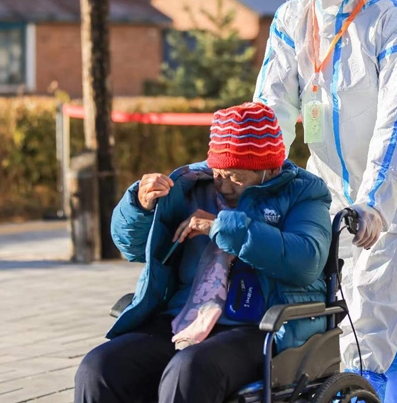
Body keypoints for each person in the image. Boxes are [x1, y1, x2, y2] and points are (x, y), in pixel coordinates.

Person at [254, 0, 397, 400]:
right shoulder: (292, 20)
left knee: (372, 311)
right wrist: (252, 176)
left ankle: (361, 393)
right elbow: (273, 106)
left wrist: (376, 201)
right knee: (346, 312)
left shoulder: (390, 21)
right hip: (332, 186)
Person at [74, 102, 332, 403]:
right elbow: (132, 248)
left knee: (189, 370)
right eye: (218, 173)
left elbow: (306, 261)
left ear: (271, 169)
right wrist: (139, 206)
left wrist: (222, 226)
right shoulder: (191, 185)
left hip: (262, 326)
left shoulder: (304, 193)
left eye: (235, 176)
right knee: (100, 368)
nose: (223, 185)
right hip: (184, 316)